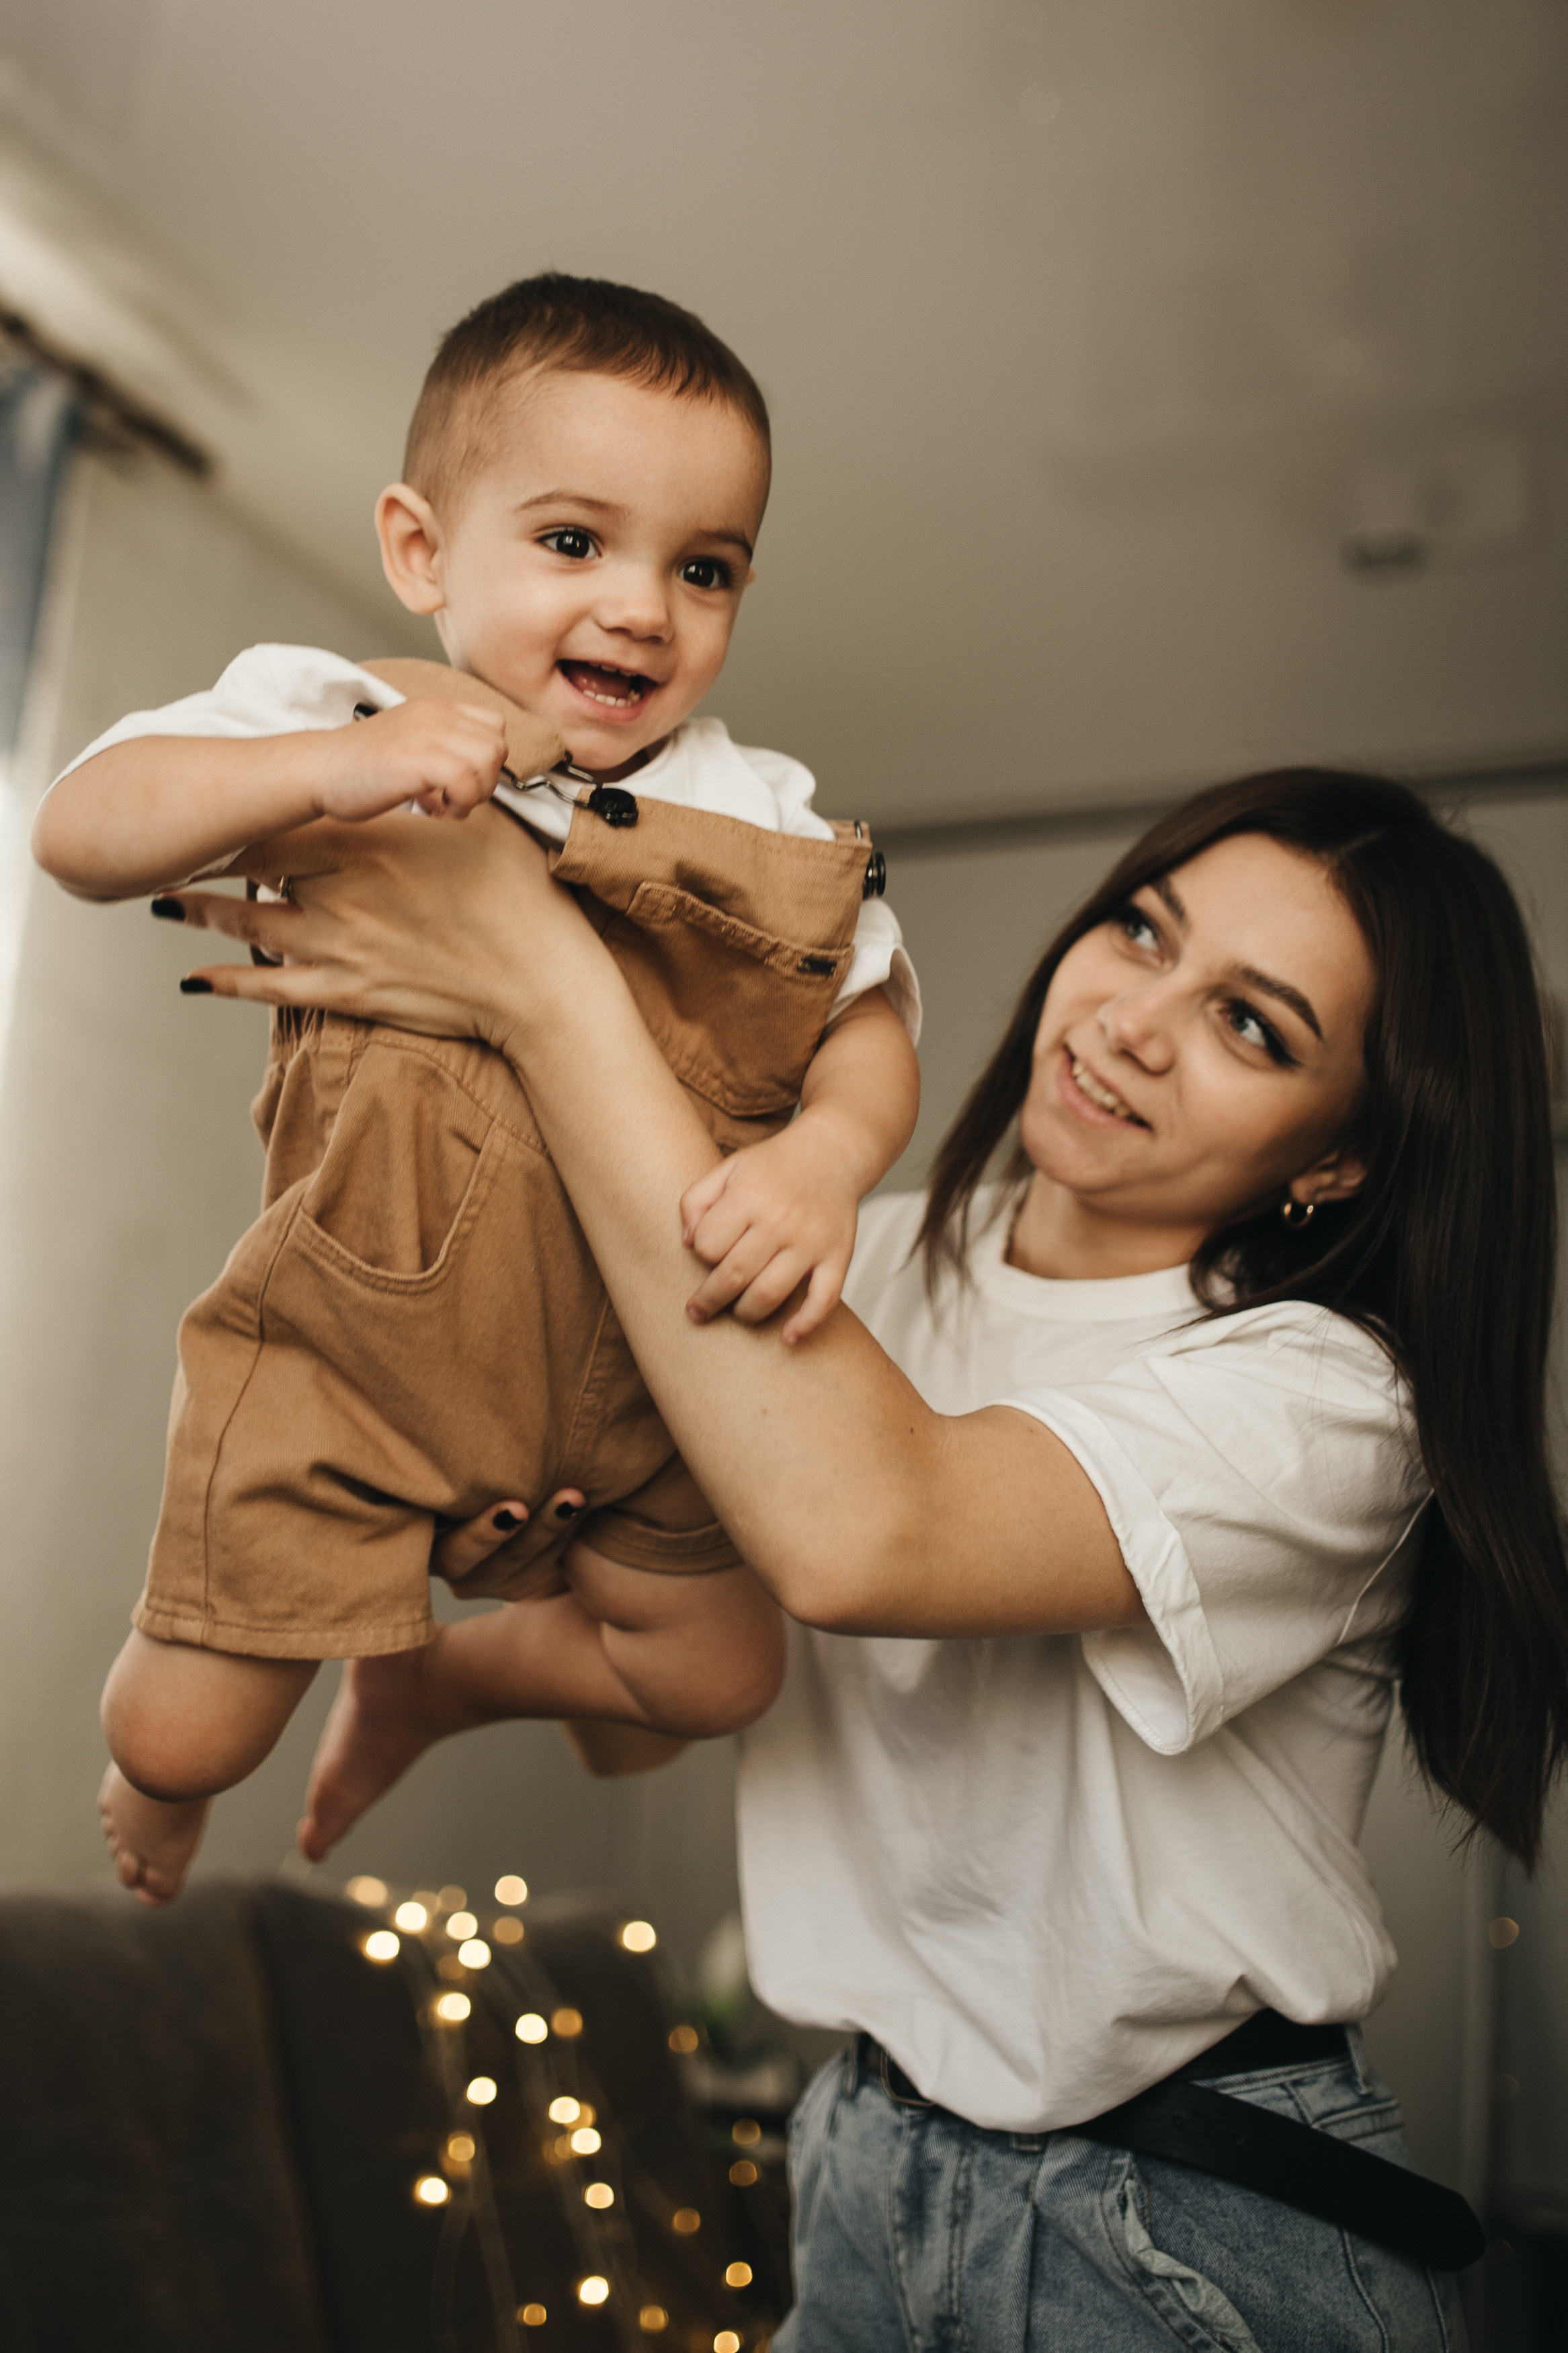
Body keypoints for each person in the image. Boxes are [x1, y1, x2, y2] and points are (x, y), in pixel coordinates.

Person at [152, 760, 1568, 2348]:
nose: (1134, 1021)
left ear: (1340, 1158)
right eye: (1143, 931)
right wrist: (485, 1631)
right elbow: (648, 1726)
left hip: (1186, 2214)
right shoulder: (858, 1264)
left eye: (1253, 1025)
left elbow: (866, 1539)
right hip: (865, 2165)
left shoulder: (1329, 1398)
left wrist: (545, 985)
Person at [29, 273, 920, 1905]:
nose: (643, 608)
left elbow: (868, 1018)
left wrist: (829, 1162)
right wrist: (324, 768)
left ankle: (434, 1679)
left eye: (704, 567)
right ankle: (154, 1776)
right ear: (423, 550)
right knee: (184, 1729)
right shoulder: (344, 707)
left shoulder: (764, 812)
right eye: (576, 542)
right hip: (353, 1357)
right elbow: (81, 828)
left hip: (655, 1377)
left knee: (722, 1674)